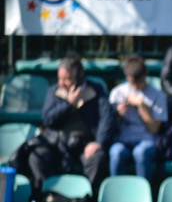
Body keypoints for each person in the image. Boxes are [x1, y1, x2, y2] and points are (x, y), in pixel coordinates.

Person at [27, 56, 114, 192]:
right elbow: (48, 119)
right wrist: (69, 104)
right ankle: (51, 197)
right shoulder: (54, 91)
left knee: (98, 158)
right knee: (36, 157)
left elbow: (107, 117)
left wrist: (99, 142)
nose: (62, 83)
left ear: (80, 76)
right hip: (58, 143)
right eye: (60, 78)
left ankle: (85, 199)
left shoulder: (95, 90)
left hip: (84, 143)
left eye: (67, 79)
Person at [108, 55, 167, 183]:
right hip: (123, 140)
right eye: (131, 82)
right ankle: (116, 193)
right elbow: (110, 128)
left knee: (140, 153)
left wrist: (141, 106)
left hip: (146, 140)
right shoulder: (117, 93)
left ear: (146, 74)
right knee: (115, 153)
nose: (135, 86)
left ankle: (144, 193)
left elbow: (153, 129)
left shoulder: (158, 95)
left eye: (138, 82)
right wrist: (117, 114)